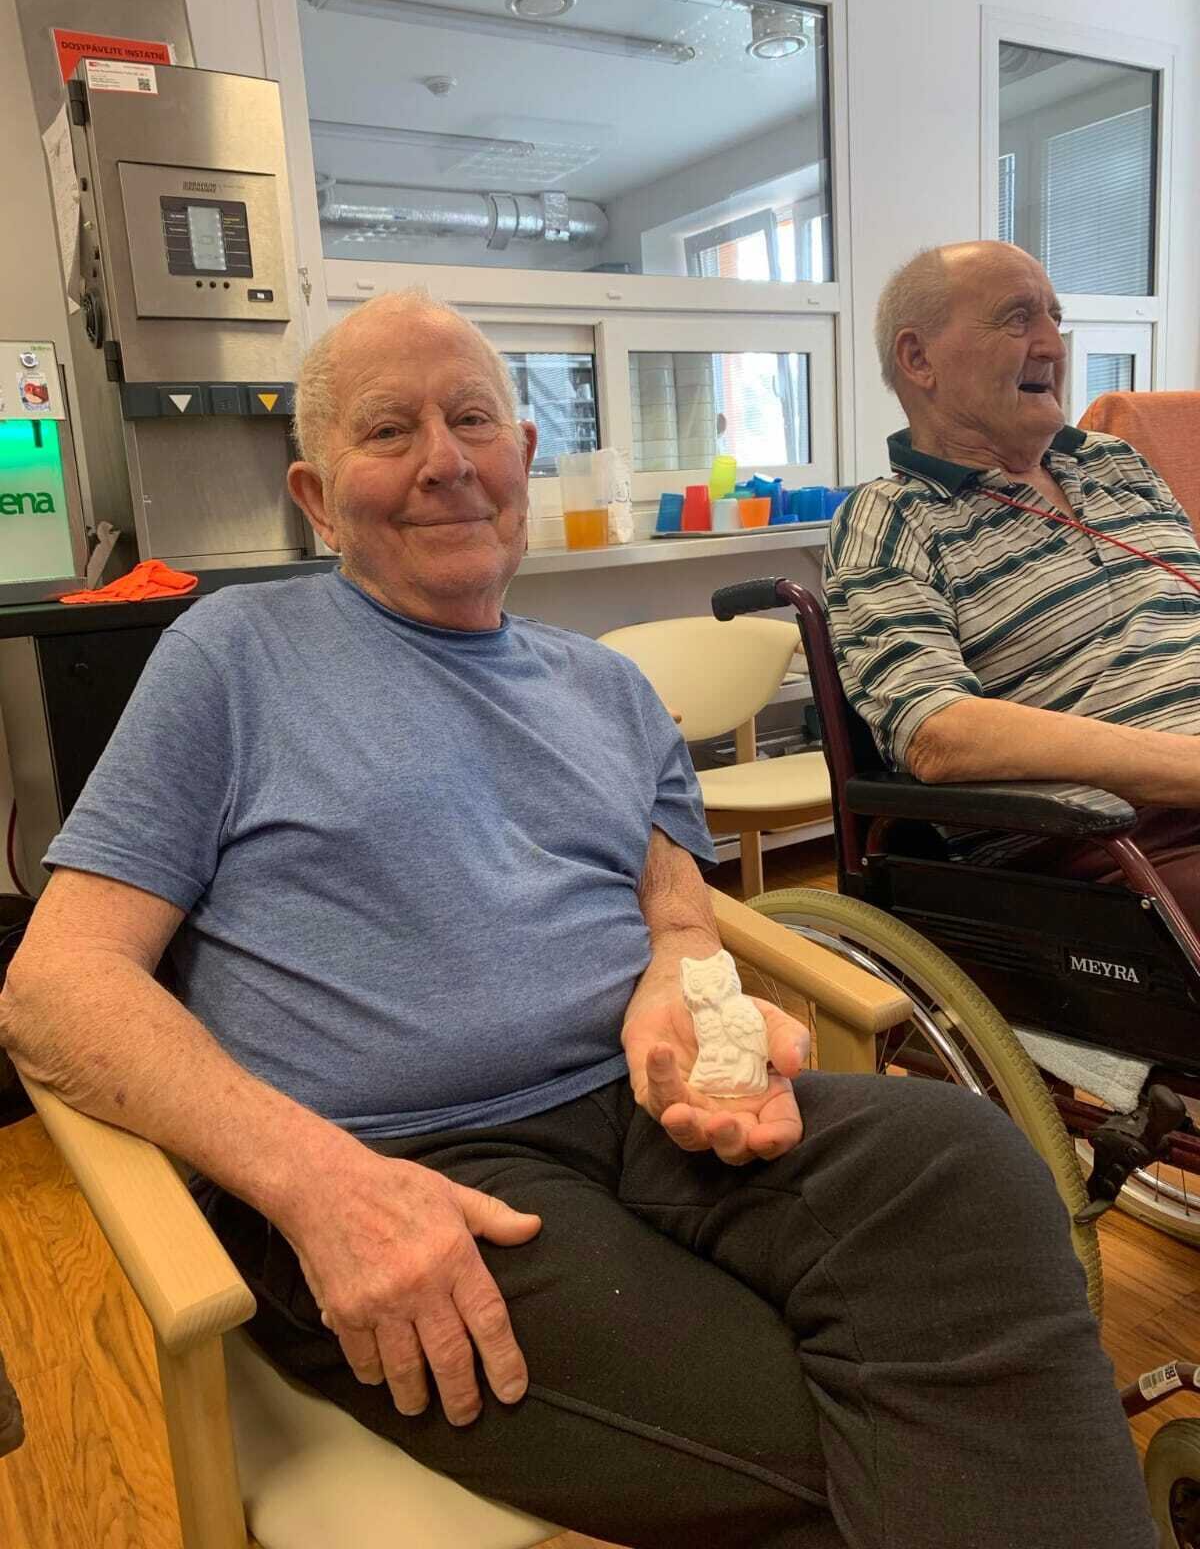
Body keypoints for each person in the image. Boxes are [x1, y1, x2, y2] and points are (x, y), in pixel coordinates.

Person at [0, 290, 1154, 1549]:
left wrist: (680, 977)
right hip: (402, 1168)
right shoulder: (233, 656)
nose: (445, 461)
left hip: (644, 1116)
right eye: (389, 430)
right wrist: (319, 1186)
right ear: (318, 498)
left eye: (473, 420)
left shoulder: (606, 687)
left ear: (524, 458)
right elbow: (54, 987)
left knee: (962, 1163)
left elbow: (679, 907)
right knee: (889, 1433)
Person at [825, 240, 1200, 910]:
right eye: (1018, 319)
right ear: (919, 359)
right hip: (1121, 848)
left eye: (1055, 317)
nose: (1054, 345)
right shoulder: (892, 519)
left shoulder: (1117, 466)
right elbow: (938, 733)